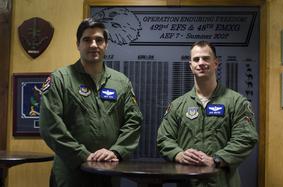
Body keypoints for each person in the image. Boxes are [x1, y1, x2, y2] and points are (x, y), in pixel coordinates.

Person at [39, 17, 143, 187]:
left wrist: (115, 151)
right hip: (71, 171)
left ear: (106, 45)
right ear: (78, 45)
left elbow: (134, 121)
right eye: (87, 39)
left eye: (99, 40)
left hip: (109, 170)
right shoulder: (60, 79)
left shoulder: (121, 82)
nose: (93, 44)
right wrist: (83, 155)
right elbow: (50, 126)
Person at [157, 41, 258, 187]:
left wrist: (216, 160)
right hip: (188, 182)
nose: (201, 63)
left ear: (216, 63)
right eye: (196, 59)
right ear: (190, 66)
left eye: (206, 58)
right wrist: (179, 154)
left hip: (222, 182)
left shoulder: (237, 102)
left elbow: (246, 138)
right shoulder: (178, 105)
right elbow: (164, 139)